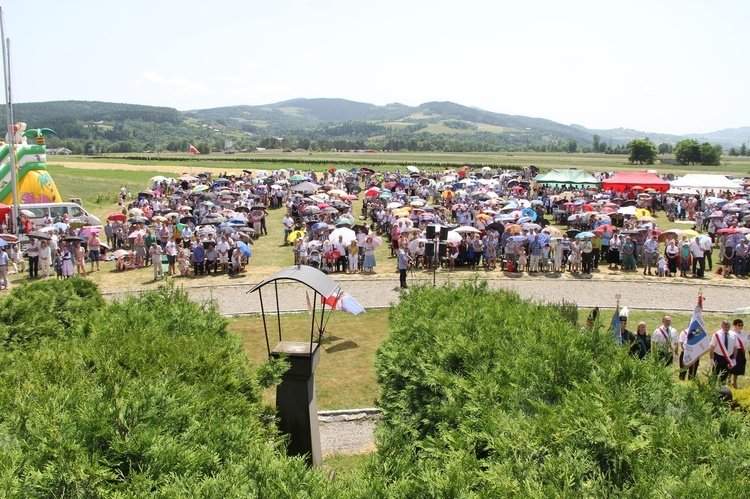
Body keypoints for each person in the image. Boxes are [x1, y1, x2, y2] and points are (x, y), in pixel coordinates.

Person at [709, 319, 737, 386]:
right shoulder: (717, 335)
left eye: (728, 327)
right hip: (718, 357)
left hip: (728, 357)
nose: (726, 328)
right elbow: (712, 347)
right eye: (725, 327)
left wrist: (734, 359)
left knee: (724, 376)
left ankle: (722, 391)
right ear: (721, 326)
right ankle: (712, 390)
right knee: (715, 375)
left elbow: (735, 348)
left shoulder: (733, 335)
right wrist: (711, 358)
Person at [729, 319, 747, 389]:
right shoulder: (731, 333)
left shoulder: (744, 333)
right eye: (739, 325)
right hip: (733, 351)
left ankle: (735, 382)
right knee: (731, 367)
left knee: (738, 367)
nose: (741, 326)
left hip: (741, 352)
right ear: (735, 325)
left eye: (742, 325)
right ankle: (728, 381)